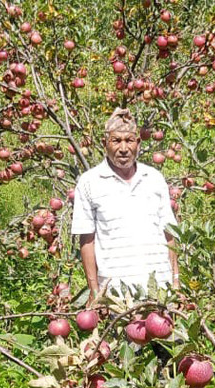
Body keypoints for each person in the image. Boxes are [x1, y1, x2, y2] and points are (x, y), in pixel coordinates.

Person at [70, 108, 179, 306]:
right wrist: (95, 292)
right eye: (116, 140)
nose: (123, 148)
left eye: (129, 140)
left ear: (138, 143)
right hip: (117, 298)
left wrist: (176, 283)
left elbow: (169, 234)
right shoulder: (89, 182)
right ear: (105, 144)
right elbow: (86, 241)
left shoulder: (154, 178)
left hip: (163, 295)